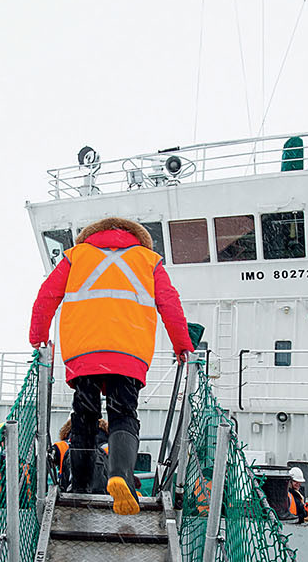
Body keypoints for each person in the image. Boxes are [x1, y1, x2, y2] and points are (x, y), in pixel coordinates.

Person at [30, 216, 193, 515]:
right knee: (123, 415)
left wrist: (38, 337)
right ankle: (120, 476)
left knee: (84, 416)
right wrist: (182, 346)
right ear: (137, 237)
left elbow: (46, 297)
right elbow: (171, 305)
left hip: (84, 353)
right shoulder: (149, 261)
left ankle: (79, 486)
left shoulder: (75, 257)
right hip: (129, 354)